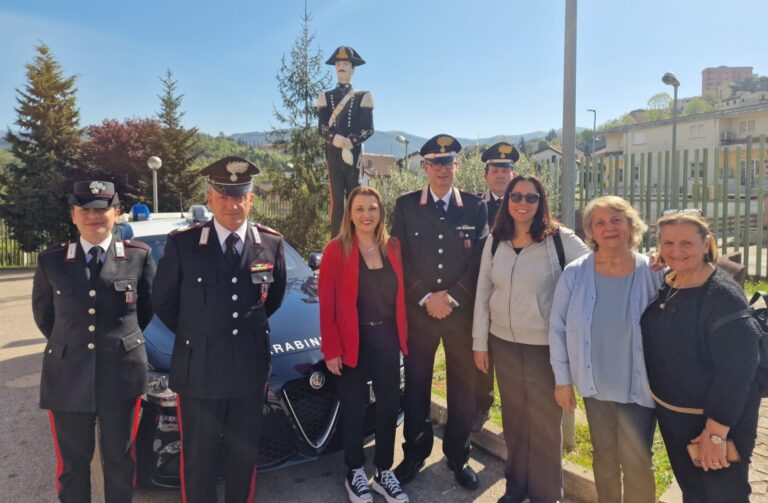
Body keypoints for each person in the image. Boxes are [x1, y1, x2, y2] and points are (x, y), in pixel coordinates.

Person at [151, 156, 287, 503]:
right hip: (199, 371)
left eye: (240, 196)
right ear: (210, 198)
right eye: (224, 196)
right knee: (198, 459)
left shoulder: (270, 244)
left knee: (244, 458)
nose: (233, 205)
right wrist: (200, 333)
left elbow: (271, 300)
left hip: (248, 370)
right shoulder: (184, 244)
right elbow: (164, 303)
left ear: (251, 199)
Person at [32, 180, 155, 502]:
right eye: (84, 210)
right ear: (73, 215)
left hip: (122, 375)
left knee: (120, 461)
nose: (93, 217)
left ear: (116, 213)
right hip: (67, 376)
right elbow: (45, 317)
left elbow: (145, 312)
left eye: (101, 210)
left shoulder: (138, 257)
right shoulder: (52, 261)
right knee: (73, 465)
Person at [473, 174, 588, 503]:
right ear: (507, 200)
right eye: (516, 196)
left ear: (541, 203)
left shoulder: (559, 240)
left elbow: (598, 263)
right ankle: (516, 486)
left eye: (531, 197)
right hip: (503, 344)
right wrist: (479, 342)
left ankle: (546, 494)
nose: (522, 203)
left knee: (544, 425)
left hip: (543, 348)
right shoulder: (496, 240)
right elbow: (483, 290)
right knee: (514, 421)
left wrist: (646, 265)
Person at [641, 210, 761, 503]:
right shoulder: (672, 280)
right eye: (668, 243)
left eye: (686, 244)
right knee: (694, 492)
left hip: (711, 424)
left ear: (706, 243)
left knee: (724, 495)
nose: (676, 251)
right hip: (676, 418)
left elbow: (738, 369)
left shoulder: (721, 296)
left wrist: (717, 432)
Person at [391, 134, 489, 490]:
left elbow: (480, 261)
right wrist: (424, 297)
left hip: (459, 315)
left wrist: (451, 298)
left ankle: (458, 456)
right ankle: (415, 453)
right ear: (425, 167)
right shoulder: (405, 206)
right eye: (436, 163)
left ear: (456, 166)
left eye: (449, 163)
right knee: (416, 386)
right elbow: (398, 258)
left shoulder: (476, 208)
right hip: (419, 314)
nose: (443, 170)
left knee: (462, 388)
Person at [549, 196, 661, 503]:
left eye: (616, 220)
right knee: (604, 457)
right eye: (599, 222)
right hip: (595, 386)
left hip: (639, 387)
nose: (608, 228)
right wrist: (562, 380)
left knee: (638, 460)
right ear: (591, 232)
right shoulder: (575, 273)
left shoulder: (653, 270)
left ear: (630, 225)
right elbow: (557, 327)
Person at [319, 186, 409, 503]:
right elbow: (326, 304)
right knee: (354, 408)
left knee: (387, 407)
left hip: (387, 339)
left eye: (372, 208)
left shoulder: (394, 248)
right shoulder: (336, 250)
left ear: (380, 212)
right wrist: (331, 349)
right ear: (350, 214)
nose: (366, 215)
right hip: (351, 341)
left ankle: (385, 471)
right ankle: (355, 470)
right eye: (359, 209)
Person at [472, 142, 519, 432]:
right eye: (496, 170)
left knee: (512, 358)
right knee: (480, 351)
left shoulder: (525, 204)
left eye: (506, 169)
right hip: (481, 289)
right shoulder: (475, 206)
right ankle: (482, 405)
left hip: (513, 291)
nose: (501, 174)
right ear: (487, 175)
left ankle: (514, 415)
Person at [317, 45, 375, 237]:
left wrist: (351, 141)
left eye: (346, 63)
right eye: (339, 63)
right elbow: (322, 127)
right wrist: (334, 139)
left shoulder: (363, 97)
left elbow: (368, 129)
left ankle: (357, 241)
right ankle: (335, 244)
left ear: (353, 69)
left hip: (353, 157)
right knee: (336, 205)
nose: (341, 66)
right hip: (334, 157)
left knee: (355, 202)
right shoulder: (325, 96)